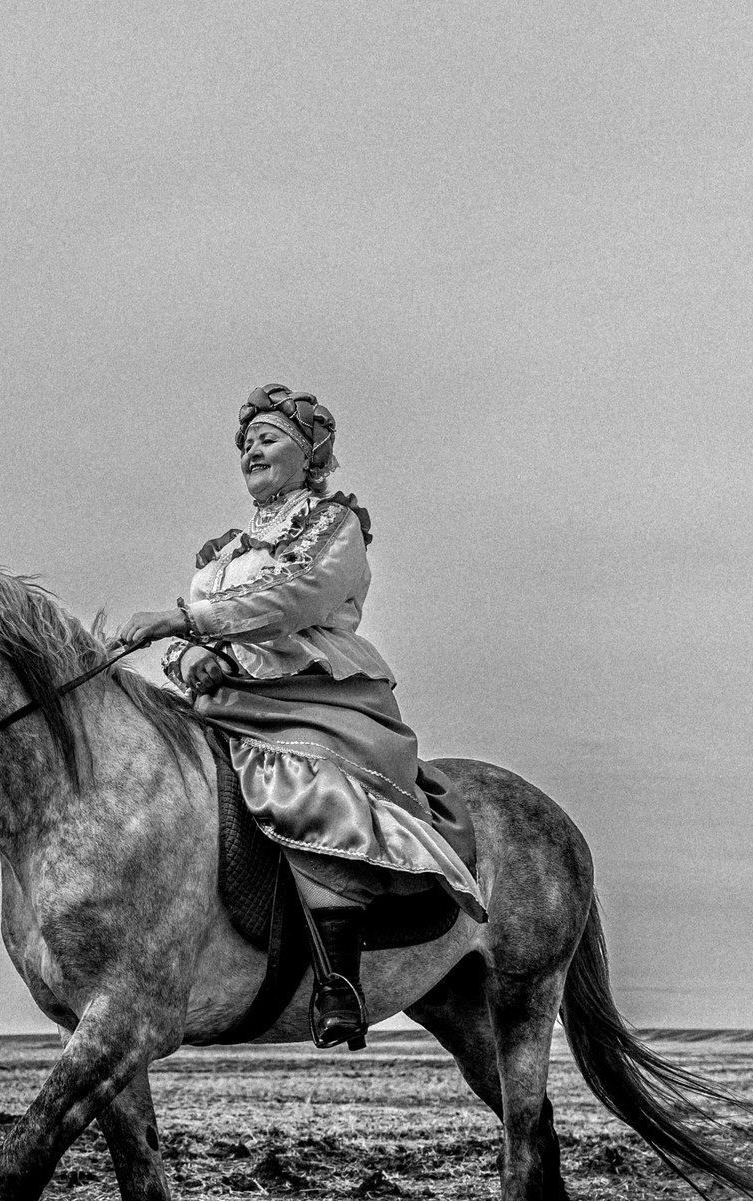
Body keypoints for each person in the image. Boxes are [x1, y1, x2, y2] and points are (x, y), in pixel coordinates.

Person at [119, 384, 485, 1050]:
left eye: (270, 435)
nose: (252, 446)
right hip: (227, 697)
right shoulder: (224, 551)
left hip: (312, 693)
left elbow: (297, 596)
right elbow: (207, 634)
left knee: (300, 781)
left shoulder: (332, 524)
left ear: (311, 454)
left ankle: (336, 982)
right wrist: (189, 659)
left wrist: (187, 619)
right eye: (246, 439)